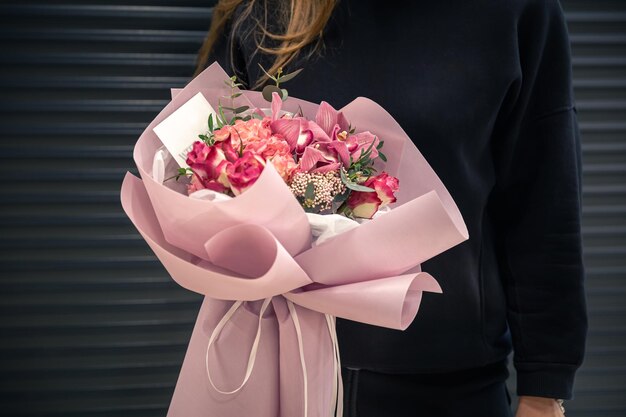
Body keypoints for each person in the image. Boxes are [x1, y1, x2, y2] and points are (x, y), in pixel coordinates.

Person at [195, 0, 588, 416]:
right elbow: (207, 165)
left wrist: (544, 388)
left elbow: (543, 204)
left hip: (446, 386)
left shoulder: (514, 11)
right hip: (276, 371)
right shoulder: (267, 12)